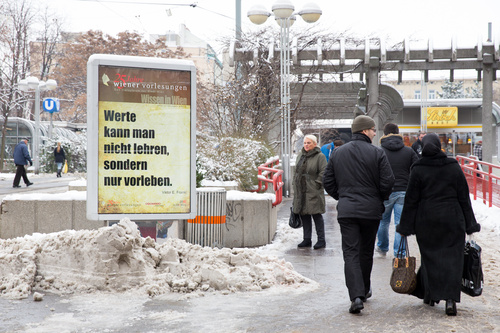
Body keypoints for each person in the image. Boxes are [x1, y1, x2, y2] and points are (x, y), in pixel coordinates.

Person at [396, 133, 481, 316]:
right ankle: (450, 300)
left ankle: (431, 295)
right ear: (440, 146)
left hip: (427, 221)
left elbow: (411, 201)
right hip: (452, 219)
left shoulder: (418, 169)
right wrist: (470, 224)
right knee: (453, 260)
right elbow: (463, 198)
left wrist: (404, 227)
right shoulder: (453, 167)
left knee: (430, 259)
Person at [323, 115, 394, 314]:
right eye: (372, 129)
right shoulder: (377, 153)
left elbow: (327, 181)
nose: (374, 133)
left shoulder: (337, 153)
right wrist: (378, 198)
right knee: (365, 252)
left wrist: (343, 197)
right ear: (364, 131)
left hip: (347, 211)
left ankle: (356, 296)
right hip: (371, 211)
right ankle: (364, 290)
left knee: (351, 253)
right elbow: (388, 181)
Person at [376, 123, 418, 257]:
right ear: (398, 133)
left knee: (383, 221)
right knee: (400, 223)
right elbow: (416, 169)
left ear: (384, 134)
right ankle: (399, 253)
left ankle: (382, 247)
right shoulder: (409, 151)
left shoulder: (379, 151)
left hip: (385, 192)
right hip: (403, 191)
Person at [293, 134, 327, 250]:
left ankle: (321, 240)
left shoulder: (320, 156)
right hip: (301, 190)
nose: (306, 145)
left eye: (309, 143)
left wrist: (317, 184)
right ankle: (307, 239)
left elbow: (324, 172)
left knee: (316, 215)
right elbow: (297, 171)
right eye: (305, 143)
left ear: (314, 144)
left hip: (313, 190)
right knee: (304, 215)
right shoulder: (300, 155)